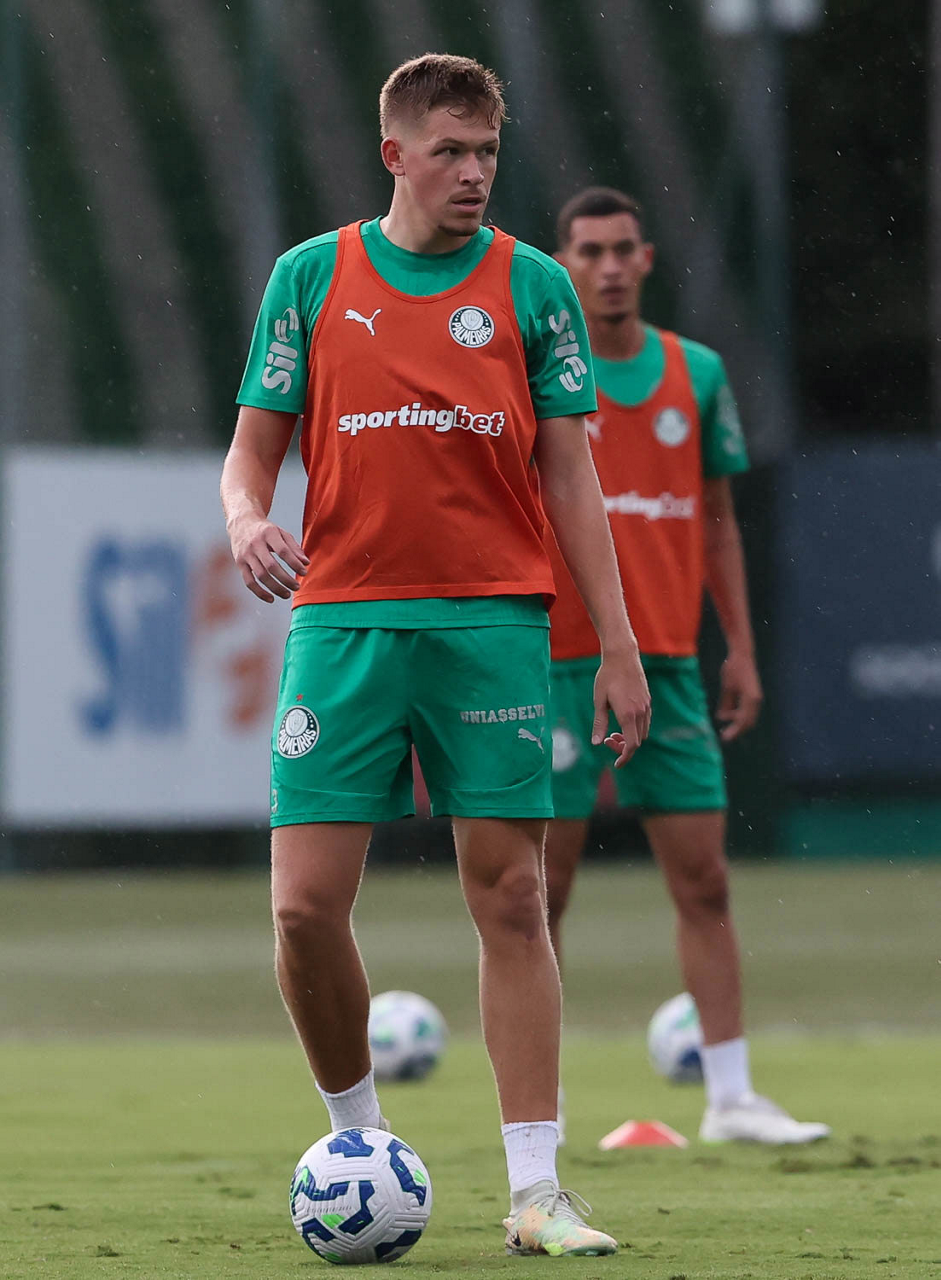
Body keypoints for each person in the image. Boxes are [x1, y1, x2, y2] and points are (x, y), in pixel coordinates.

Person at [221, 58, 650, 1258]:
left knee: (511, 895)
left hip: (493, 624)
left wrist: (615, 642)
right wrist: (246, 520)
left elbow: (570, 475)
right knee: (302, 907)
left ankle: (537, 1191)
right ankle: (358, 1141)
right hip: (344, 622)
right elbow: (250, 453)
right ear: (394, 155)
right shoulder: (311, 277)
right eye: (451, 150)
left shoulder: (534, 286)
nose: (474, 173)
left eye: (487, 151)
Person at [544, 187, 830, 1146]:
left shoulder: (693, 373)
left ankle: (731, 1097)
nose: (608, 267)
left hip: (664, 665)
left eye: (622, 249)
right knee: (538, 893)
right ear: (562, 265)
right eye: (589, 251)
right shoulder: (537, 369)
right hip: (555, 661)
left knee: (703, 881)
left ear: (646, 260)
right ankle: (540, 1108)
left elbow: (715, 522)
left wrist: (738, 646)